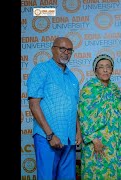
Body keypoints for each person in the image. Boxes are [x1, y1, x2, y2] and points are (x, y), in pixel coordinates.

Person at [78, 54, 121, 179]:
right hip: (98, 142)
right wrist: (94, 139)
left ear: (112, 70)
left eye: (108, 67)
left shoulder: (114, 88)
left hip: (116, 142)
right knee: (98, 174)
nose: (105, 70)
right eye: (101, 67)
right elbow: (83, 116)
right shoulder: (89, 89)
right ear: (95, 71)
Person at [27, 37, 82, 180]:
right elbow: (34, 104)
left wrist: (78, 131)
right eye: (62, 49)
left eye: (69, 50)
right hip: (47, 138)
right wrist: (50, 135)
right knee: (47, 177)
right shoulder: (41, 70)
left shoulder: (73, 78)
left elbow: (73, 106)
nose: (66, 53)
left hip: (69, 139)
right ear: (53, 49)